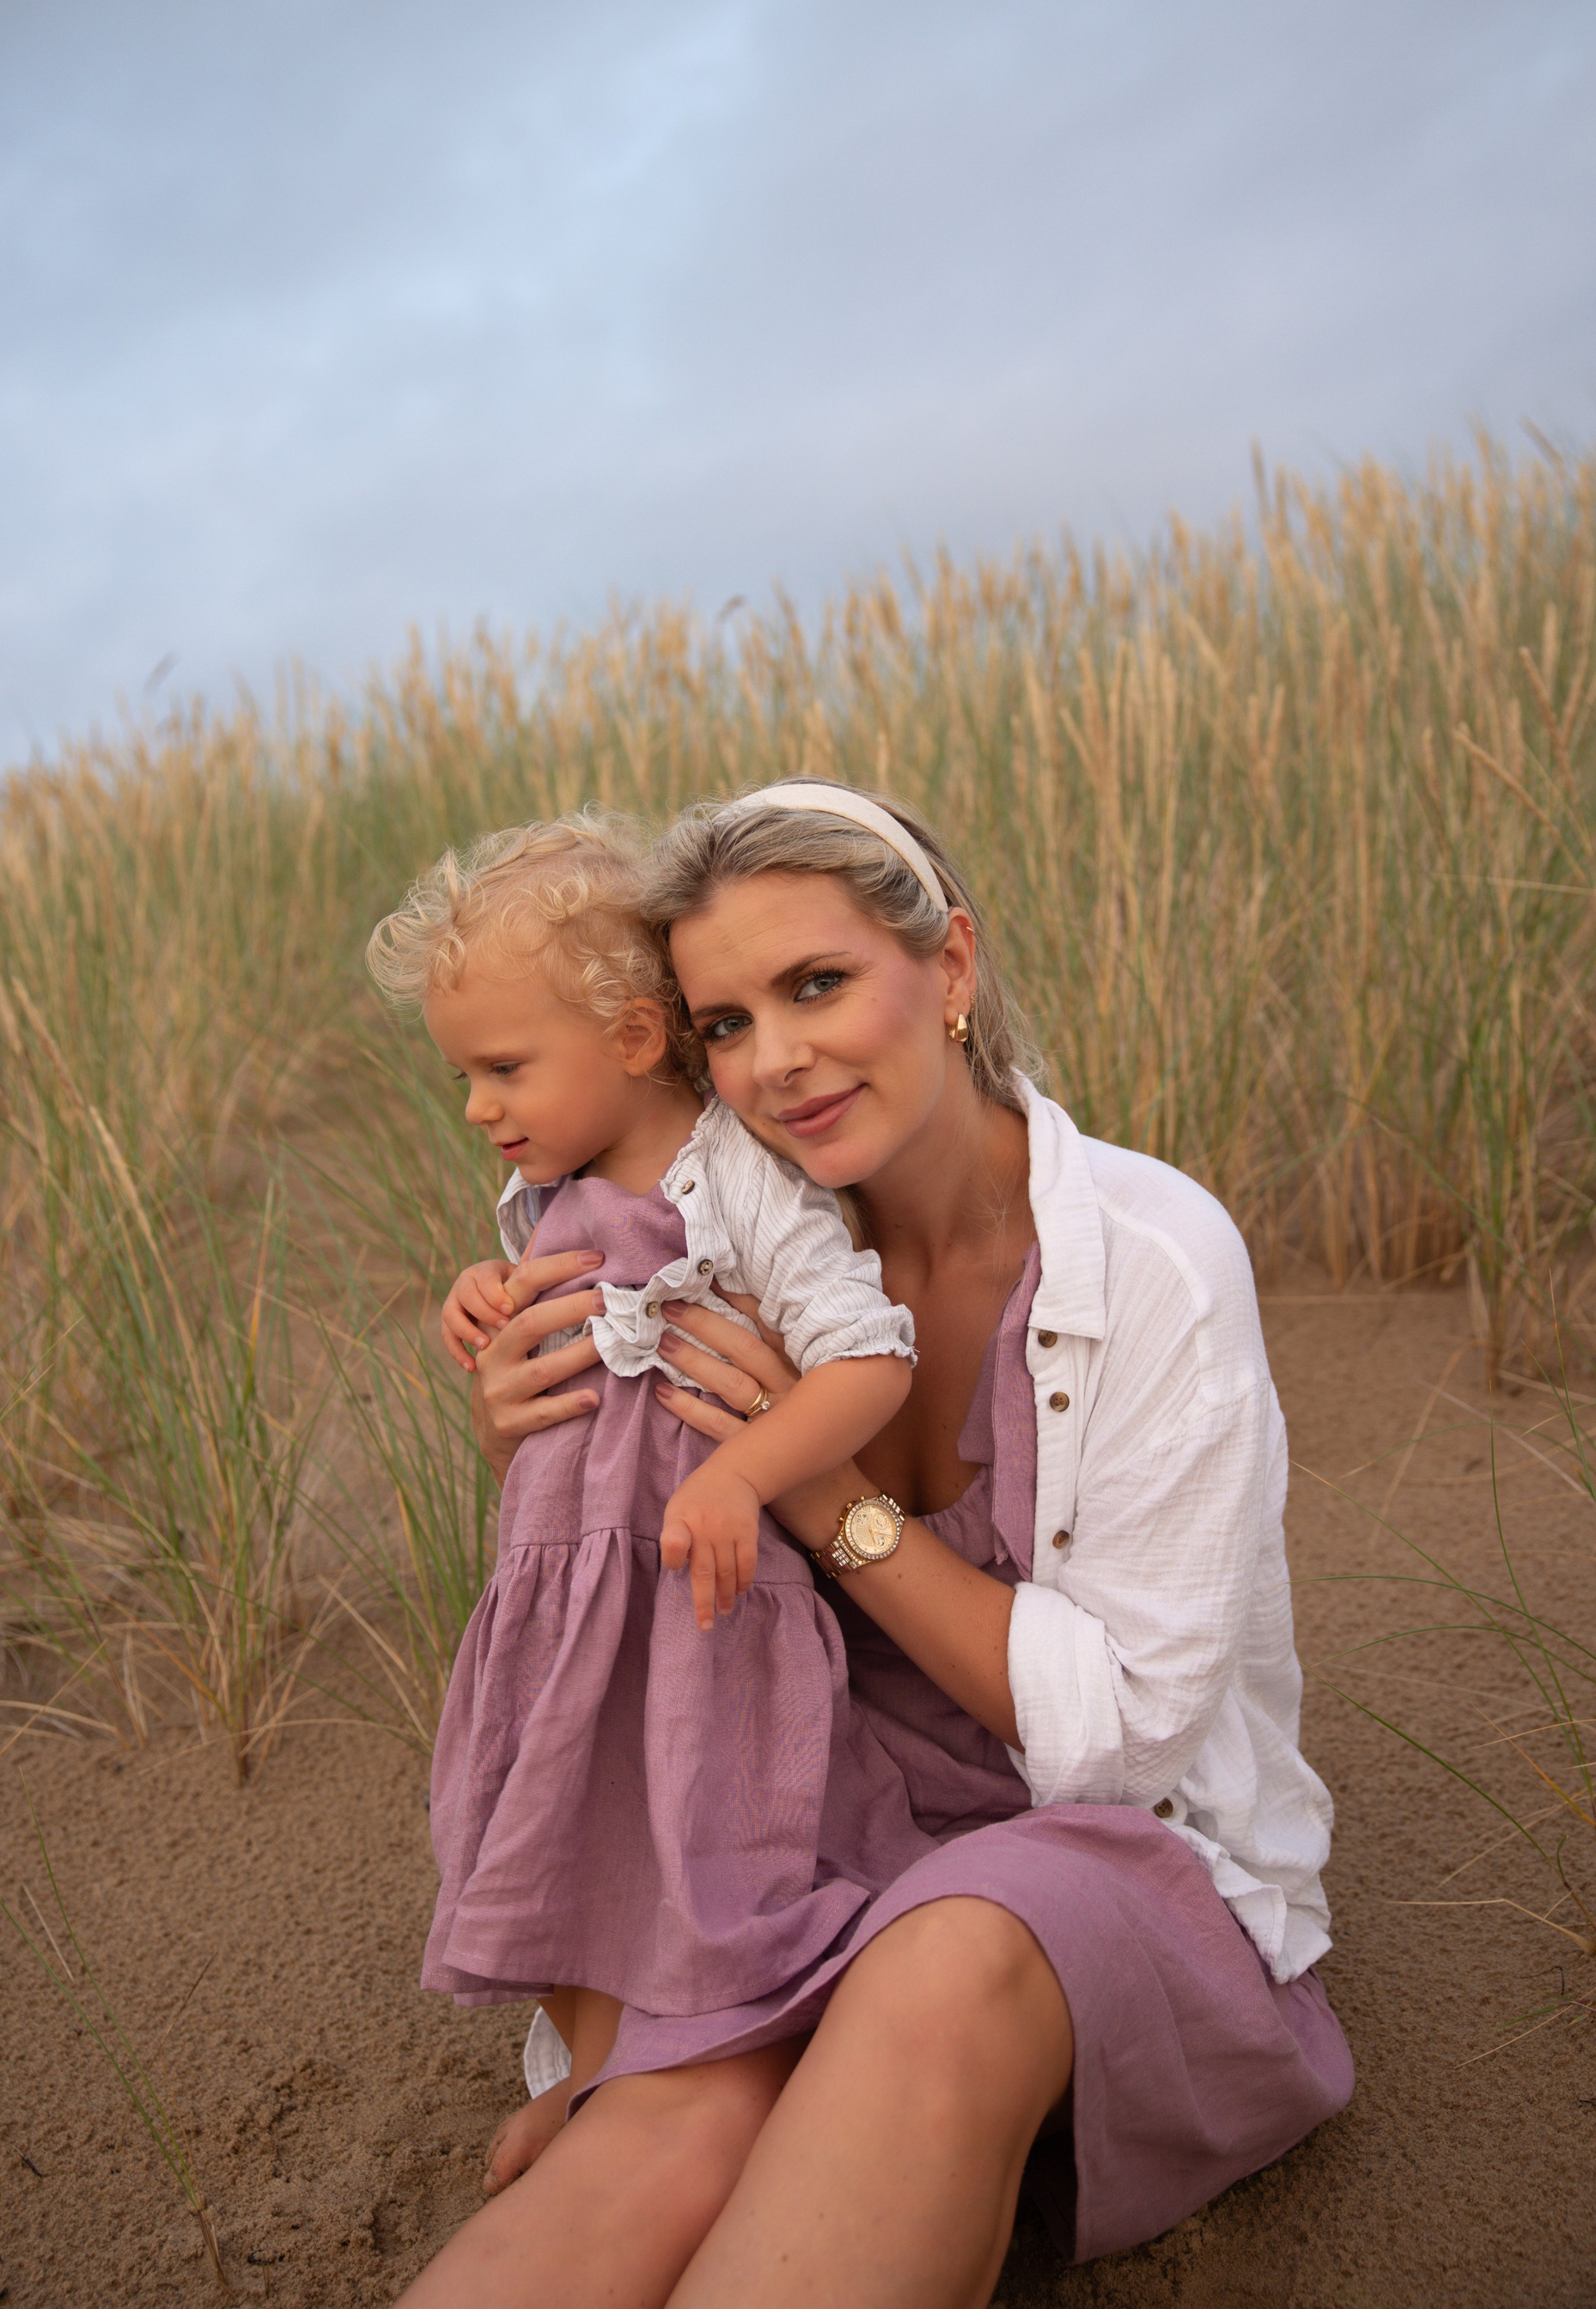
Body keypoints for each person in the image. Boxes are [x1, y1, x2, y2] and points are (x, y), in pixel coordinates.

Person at [397, 781, 1352, 2309]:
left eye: (819, 984)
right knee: (670, 2129)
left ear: (951, 966)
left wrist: (819, 1491)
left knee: (940, 1972)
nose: (775, 1059)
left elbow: (1128, 1740)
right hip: (807, 1824)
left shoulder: (1151, 1261)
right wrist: (528, 1427)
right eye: (726, 1022)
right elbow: (628, 1551)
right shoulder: (727, 1228)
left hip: (1083, 1843)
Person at [366, 815, 925, 2177]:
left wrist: (742, 1474)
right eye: (464, 1075)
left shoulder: (735, 1181)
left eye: (503, 1069)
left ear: (628, 1039)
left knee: (697, 1822)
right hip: (558, 1596)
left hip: (696, 1589)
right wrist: (481, 1298)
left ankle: (676, 2071)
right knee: (541, 1810)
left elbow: (868, 1359)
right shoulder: (539, 1192)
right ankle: (591, 2071)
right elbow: (547, 1355)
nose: (478, 1107)